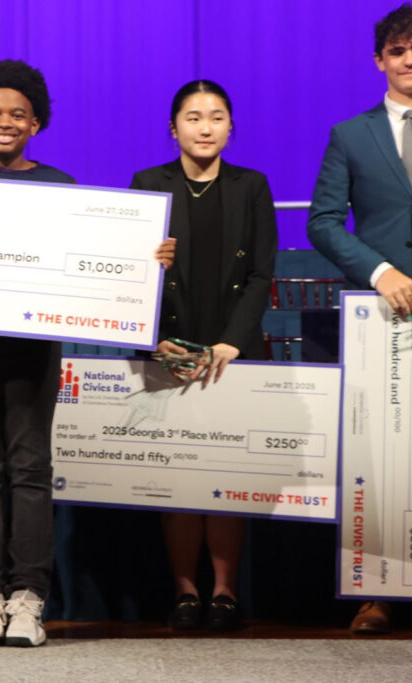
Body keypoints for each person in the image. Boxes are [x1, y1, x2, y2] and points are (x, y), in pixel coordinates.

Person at [0, 60, 175, 647]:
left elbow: (95, 264)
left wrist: (146, 260)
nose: (4, 122)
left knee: (28, 470)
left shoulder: (60, 186)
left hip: (33, 352)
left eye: (17, 114)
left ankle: (28, 599)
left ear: (36, 122)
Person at [308, 2, 412, 634]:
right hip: (382, 315)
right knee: (383, 459)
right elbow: (324, 222)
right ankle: (378, 592)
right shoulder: (350, 134)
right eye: (397, 51)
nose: (409, 60)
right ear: (379, 60)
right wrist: (381, 271)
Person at [130, 79, 277, 631]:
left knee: (226, 477)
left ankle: (224, 590)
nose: (205, 126)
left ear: (230, 128)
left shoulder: (252, 186)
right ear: (174, 128)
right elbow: (134, 271)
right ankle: (185, 591)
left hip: (233, 353)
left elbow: (262, 273)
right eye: (193, 117)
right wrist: (153, 338)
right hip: (171, 351)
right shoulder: (149, 184)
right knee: (178, 479)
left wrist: (233, 342)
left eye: (216, 116)